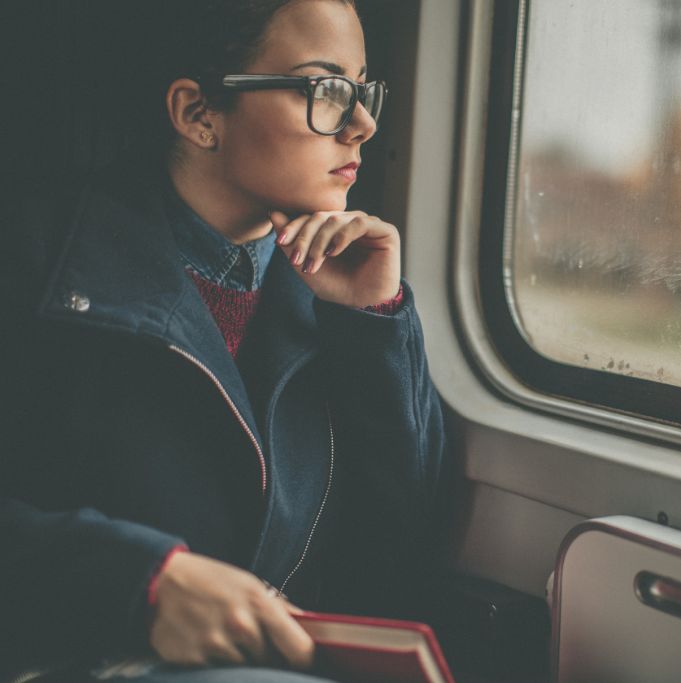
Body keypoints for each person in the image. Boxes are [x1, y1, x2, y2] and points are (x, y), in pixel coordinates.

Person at [0, 1, 448, 680]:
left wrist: (374, 321)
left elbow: (399, 551)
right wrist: (140, 583)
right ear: (197, 114)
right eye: (325, 89)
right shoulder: (33, 259)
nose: (363, 123)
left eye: (361, 89)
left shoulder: (337, 294)